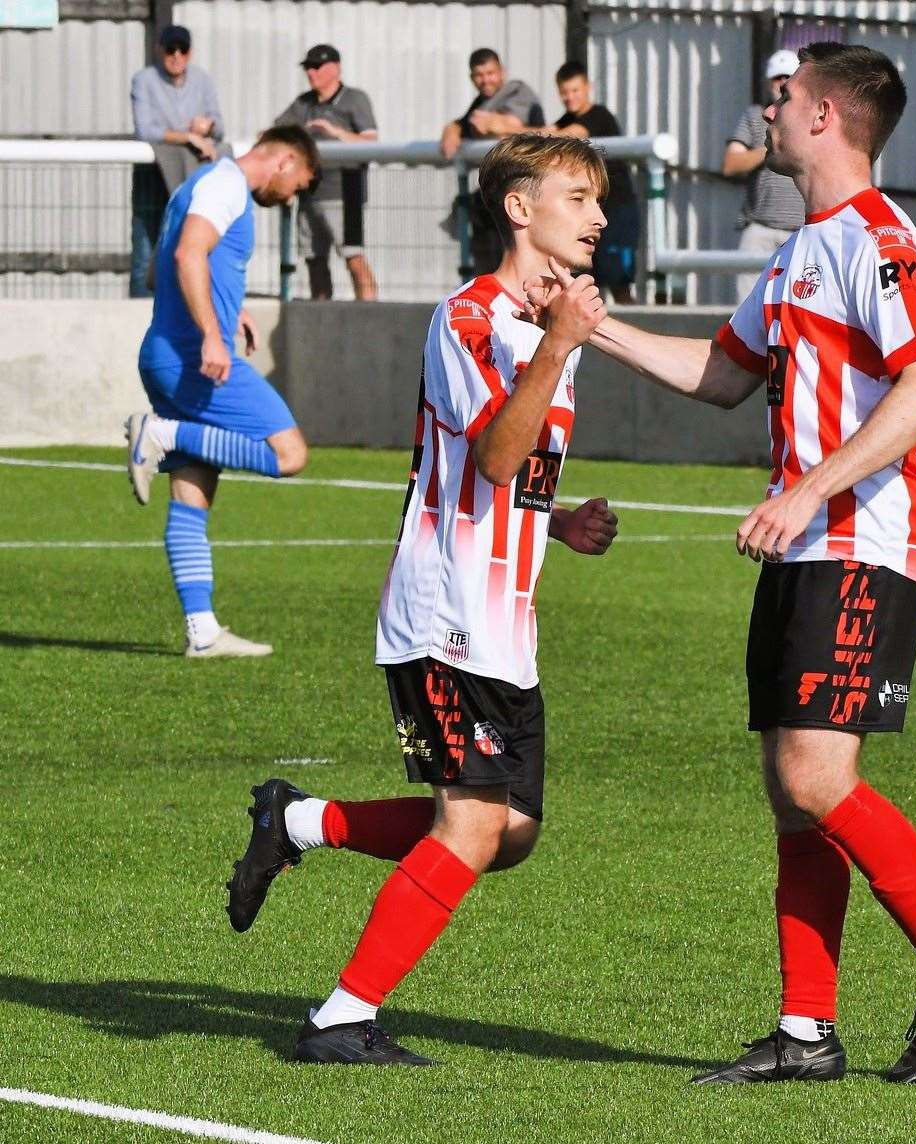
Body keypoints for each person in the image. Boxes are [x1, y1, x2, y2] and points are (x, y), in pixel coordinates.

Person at [528, 42, 916, 1085]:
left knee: (814, 774)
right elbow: (719, 373)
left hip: (856, 543)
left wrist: (805, 491)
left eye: (784, 98)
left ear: (829, 116)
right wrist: (592, 328)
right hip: (806, 544)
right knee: (790, 793)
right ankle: (804, 1032)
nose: (768, 109)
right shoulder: (799, 250)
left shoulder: (877, 239)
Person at [224, 134, 618, 1067]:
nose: (597, 218)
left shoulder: (549, 328)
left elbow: (503, 473)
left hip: (505, 625)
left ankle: (298, 821)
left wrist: (554, 521)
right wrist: (561, 344)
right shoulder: (469, 319)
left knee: (508, 833)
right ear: (519, 210)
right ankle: (338, 1019)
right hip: (444, 619)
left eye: (598, 201)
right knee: (473, 824)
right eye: (577, 197)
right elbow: (489, 451)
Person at [123, 126, 320, 657]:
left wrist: (233, 311)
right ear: (282, 161)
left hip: (167, 354)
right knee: (290, 454)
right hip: (193, 358)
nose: (292, 196)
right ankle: (157, 433)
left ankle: (203, 632)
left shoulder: (200, 186)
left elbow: (157, 267)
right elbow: (189, 256)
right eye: (298, 183)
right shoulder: (226, 184)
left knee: (193, 492)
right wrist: (212, 332)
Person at [274, 44, 379, 300]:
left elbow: (371, 142)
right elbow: (275, 133)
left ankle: (370, 316)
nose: (311, 72)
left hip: (345, 192)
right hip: (309, 194)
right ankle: (321, 315)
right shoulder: (303, 103)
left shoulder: (354, 99)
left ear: (335, 68)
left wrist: (336, 133)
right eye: (308, 67)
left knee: (353, 257)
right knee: (314, 259)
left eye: (317, 66)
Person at [129, 24, 225, 297]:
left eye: (182, 50)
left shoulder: (203, 80)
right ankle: (139, 318)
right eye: (170, 49)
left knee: (189, 247)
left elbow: (220, 127)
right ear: (159, 50)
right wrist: (187, 137)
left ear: (190, 53)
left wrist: (206, 127)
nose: (176, 56)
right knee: (146, 249)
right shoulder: (144, 80)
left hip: (191, 180)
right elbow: (145, 129)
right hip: (154, 176)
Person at [440, 48, 546, 277]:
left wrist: (496, 124)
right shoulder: (482, 101)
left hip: (529, 191)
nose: (485, 80)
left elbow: (509, 124)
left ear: (502, 72)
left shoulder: (517, 91)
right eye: (479, 75)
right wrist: (454, 128)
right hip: (500, 194)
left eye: (490, 73)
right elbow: (469, 124)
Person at [547, 60, 638, 302]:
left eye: (575, 90)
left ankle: (631, 329)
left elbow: (564, 135)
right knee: (590, 281)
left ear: (588, 88)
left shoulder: (599, 115)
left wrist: (507, 127)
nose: (569, 97)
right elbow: (546, 132)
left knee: (619, 282)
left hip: (617, 209)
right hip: (590, 210)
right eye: (564, 92)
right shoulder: (567, 118)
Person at [723, 49, 807, 299]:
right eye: (776, 78)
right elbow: (731, 163)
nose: (781, 84)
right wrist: (771, 148)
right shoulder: (755, 115)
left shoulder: (810, 117)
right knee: (747, 304)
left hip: (803, 229)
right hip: (760, 227)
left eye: (787, 78)